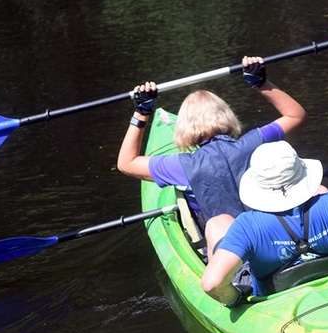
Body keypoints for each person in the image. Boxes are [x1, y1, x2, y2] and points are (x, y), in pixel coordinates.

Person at [117, 56, 307, 258]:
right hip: (276, 239)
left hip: (232, 256)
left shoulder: (182, 165)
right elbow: (296, 116)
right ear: (227, 115)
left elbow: (126, 163)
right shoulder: (256, 142)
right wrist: (261, 82)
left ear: (184, 127)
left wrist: (141, 113)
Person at [201, 140, 328, 306]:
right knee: (322, 192)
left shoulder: (246, 225)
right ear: (301, 171)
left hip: (276, 300)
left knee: (217, 223)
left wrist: (234, 298)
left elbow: (212, 284)